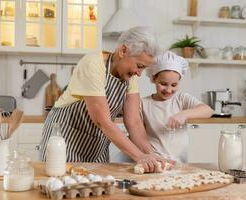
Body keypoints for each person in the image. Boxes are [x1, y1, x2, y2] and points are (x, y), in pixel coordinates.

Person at [39, 26, 169, 173]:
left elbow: (134, 121)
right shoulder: (93, 63)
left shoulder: (129, 77)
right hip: (65, 139)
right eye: (139, 66)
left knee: (99, 188)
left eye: (143, 68)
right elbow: (102, 121)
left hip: (96, 144)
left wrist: (151, 155)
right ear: (123, 51)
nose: (139, 73)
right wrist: (140, 156)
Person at [142, 51, 214, 163]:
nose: (169, 90)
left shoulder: (181, 99)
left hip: (181, 162)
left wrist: (184, 114)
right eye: (163, 84)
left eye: (174, 85)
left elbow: (208, 110)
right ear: (153, 79)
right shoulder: (143, 103)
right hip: (156, 162)